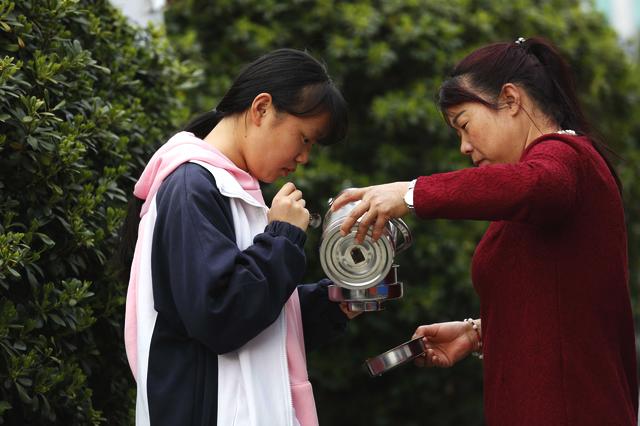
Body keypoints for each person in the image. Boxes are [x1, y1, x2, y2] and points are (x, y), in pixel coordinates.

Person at [330, 37, 638, 425]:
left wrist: (410, 193)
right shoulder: (534, 194)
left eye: (464, 125)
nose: (463, 146)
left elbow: (538, 185)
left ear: (510, 100)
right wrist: (478, 333)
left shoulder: (566, 159)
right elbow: (558, 304)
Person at [120, 48, 352, 426]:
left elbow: (258, 325)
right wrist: (282, 237)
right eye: (305, 139)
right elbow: (221, 316)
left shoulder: (232, 189)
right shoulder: (191, 185)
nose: (304, 157)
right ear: (261, 109)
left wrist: (332, 300)